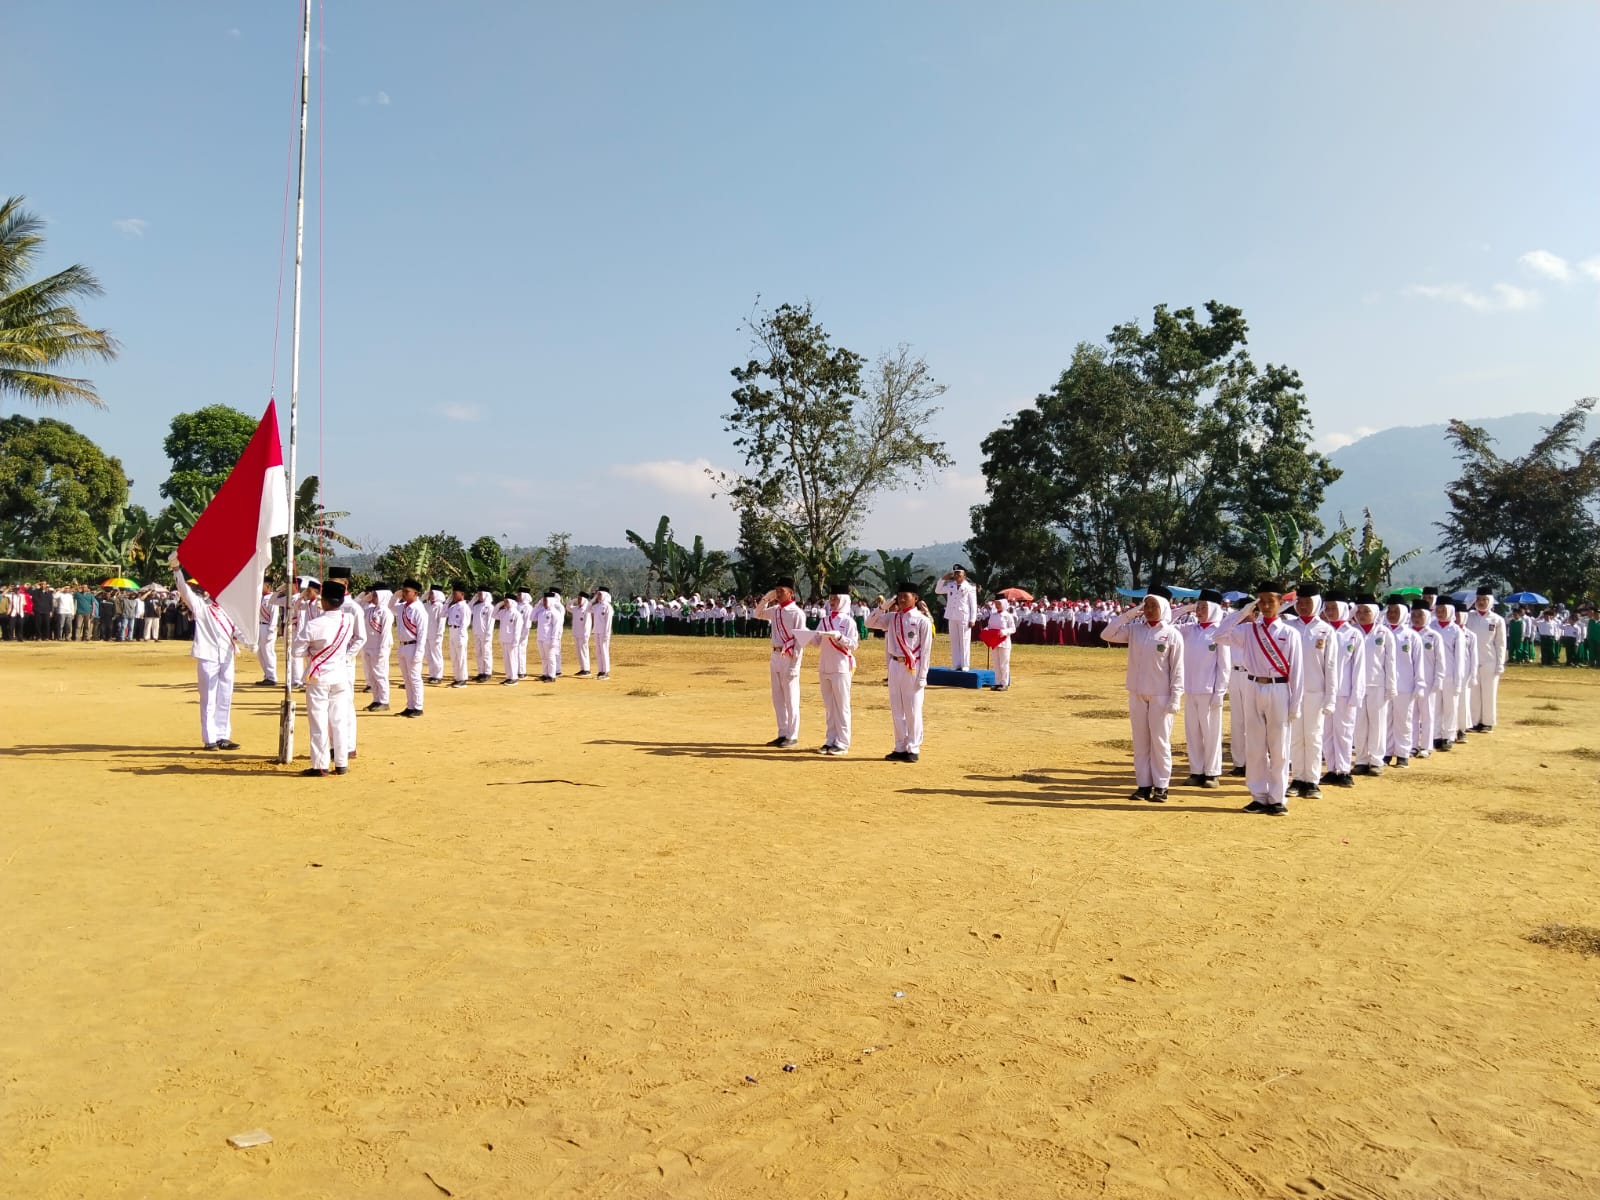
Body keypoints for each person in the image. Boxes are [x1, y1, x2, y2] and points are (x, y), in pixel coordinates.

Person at [1214, 581, 1304, 815]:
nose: (1265, 606)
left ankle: (1277, 798)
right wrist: (1244, 612)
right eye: (1260, 601)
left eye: (1269, 601)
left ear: (1280, 602)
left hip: (1279, 689)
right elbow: (1219, 635)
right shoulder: (1248, 629)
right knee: (1254, 745)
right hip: (1253, 686)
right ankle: (1258, 795)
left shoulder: (1289, 633)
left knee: (1279, 747)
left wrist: (1295, 704)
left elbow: (1297, 671)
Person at [1101, 587, 1185, 802]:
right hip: (1137, 693)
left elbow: (1177, 669)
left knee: (1160, 742)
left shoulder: (1172, 634)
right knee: (1140, 743)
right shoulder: (1135, 630)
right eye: (1146, 605)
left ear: (1163, 608)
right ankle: (1143, 785)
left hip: (1161, 695)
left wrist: (1176, 697)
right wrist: (1130, 614)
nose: (1148, 610)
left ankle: (1162, 786)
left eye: (1152, 606)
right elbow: (1106, 634)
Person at [169, 553, 246, 751]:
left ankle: (223, 735)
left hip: (227, 656)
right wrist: (177, 570)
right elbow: (184, 592)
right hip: (208, 656)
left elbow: (237, 630)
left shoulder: (229, 611)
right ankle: (209, 738)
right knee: (208, 697)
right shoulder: (202, 608)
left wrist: (251, 641)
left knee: (225, 696)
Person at [294, 579, 359, 776]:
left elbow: (296, 651)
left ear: (324, 601)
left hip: (319, 677)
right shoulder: (348, 619)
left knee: (319, 722)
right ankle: (341, 762)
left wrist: (313, 652)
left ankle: (320, 765)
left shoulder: (314, 624)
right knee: (338, 721)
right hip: (340, 675)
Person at [865, 582, 934, 762]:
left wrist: (923, 676)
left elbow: (925, 651)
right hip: (895, 665)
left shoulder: (922, 620)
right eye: (899, 596)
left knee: (913, 709)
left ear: (916, 598)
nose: (902, 599)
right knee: (897, 708)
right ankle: (900, 746)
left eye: (906, 596)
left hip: (913, 666)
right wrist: (884, 606)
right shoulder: (892, 618)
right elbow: (869, 622)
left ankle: (913, 747)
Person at [1175, 589, 1230, 788]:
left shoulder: (1220, 632)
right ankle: (1196, 771)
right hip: (1189, 690)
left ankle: (1212, 773)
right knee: (1193, 733)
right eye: (1198, 607)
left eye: (1203, 607)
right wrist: (1185, 608)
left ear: (1215, 609)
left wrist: (1220, 692)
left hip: (1210, 691)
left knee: (1211, 734)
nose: (1199, 611)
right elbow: (1167, 623)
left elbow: (1224, 666)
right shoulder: (1190, 629)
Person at [1288, 582, 1336, 798]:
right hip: (1292, 692)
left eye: (1308, 603)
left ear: (1317, 604)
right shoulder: (1289, 628)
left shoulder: (1326, 631)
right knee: (1295, 737)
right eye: (1300, 602)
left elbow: (1332, 666)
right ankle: (1298, 778)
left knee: (1314, 737)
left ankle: (1312, 780)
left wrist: (1330, 697)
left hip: (1317, 692)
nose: (1304, 606)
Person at [807, 583, 861, 755]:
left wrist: (839, 637)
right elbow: (816, 642)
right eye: (830, 598)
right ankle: (830, 739)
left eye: (836, 599)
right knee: (829, 706)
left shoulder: (848, 621)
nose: (832, 602)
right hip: (825, 666)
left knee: (842, 706)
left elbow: (854, 644)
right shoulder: (824, 620)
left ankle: (843, 742)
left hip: (841, 667)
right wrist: (804, 635)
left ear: (844, 600)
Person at [754, 578, 808, 747]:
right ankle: (782, 732)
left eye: (781, 591)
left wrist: (794, 665)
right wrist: (765, 599)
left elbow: (800, 641)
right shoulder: (775, 610)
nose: (778, 593)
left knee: (791, 698)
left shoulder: (797, 613)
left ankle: (792, 735)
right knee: (777, 697)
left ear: (791, 593)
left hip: (789, 656)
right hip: (775, 654)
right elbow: (757, 614)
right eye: (776, 590)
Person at [1320, 591, 1365, 789]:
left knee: (1344, 732)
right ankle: (1331, 769)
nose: (1330, 611)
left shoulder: (1354, 634)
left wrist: (1357, 694)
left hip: (1345, 692)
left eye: (1334, 608)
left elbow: (1358, 667)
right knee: (1326, 732)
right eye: (1327, 607)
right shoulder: (1321, 630)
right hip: (1322, 692)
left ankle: (1344, 770)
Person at [1351, 594, 1397, 777]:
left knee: (1378, 724)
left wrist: (1390, 686)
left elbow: (1390, 662)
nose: (1362, 615)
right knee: (1359, 724)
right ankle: (1361, 760)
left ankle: (1376, 760)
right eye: (1359, 611)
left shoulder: (1384, 633)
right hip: (1356, 685)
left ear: (1376, 613)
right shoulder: (1352, 632)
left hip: (1378, 684)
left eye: (1366, 611)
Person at [1382, 595, 1426, 768]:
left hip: (1405, 686)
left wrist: (1419, 684)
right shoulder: (1381, 633)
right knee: (1385, 721)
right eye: (1390, 611)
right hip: (1384, 686)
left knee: (1403, 721)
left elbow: (1418, 662)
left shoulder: (1411, 636)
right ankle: (1385, 753)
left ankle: (1403, 754)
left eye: (1396, 611)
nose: (1392, 614)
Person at [1410, 601, 1445, 758]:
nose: (1417, 618)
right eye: (1414, 615)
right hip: (1410, 680)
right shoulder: (1408, 634)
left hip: (1429, 681)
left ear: (1428, 616)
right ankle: (1411, 745)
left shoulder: (1433, 636)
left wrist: (1439, 679)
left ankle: (1426, 746)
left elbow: (1440, 660)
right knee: (1411, 714)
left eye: (1421, 615)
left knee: (1427, 714)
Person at [392, 578, 428, 717]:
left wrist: (419, 653)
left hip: (413, 646)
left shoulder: (419, 610)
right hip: (402, 646)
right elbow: (390, 606)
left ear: (416, 593)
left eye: (407, 591)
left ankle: (418, 707)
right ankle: (410, 705)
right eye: (404, 591)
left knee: (414, 678)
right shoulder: (402, 607)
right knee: (406, 679)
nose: (404, 594)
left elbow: (422, 634)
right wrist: (396, 595)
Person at [934, 565, 980, 670]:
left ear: (964, 575)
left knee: (964, 640)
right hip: (952, 615)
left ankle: (965, 664)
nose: (957, 576)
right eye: (955, 574)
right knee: (954, 640)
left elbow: (973, 605)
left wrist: (972, 619)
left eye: (959, 574)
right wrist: (943, 579)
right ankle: (956, 664)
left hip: (964, 616)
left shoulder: (970, 587)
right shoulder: (950, 586)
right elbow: (937, 591)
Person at [1433, 600, 1465, 750]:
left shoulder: (1456, 630)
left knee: (1450, 707)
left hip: (1450, 674)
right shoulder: (1431, 627)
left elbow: (1460, 657)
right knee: (1435, 706)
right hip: (1433, 674)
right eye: (1438, 610)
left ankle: (1448, 736)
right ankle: (1436, 735)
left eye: (1443, 610)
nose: (1440, 613)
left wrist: (1459, 680)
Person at [361, 585, 395, 711]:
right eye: (373, 595)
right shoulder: (369, 610)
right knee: (371, 675)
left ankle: (384, 700)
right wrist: (365, 598)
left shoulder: (386, 612)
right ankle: (376, 699)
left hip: (380, 648)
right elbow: (359, 607)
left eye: (375, 595)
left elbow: (385, 633)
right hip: (368, 646)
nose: (373, 597)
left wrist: (382, 650)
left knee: (380, 674)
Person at [985, 597, 1018, 691]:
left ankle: (1004, 683)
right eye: (996, 604)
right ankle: (997, 682)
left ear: (1003, 605)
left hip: (1004, 642)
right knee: (996, 663)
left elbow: (1013, 629)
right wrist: (986, 630)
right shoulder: (993, 615)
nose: (997, 605)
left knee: (1004, 663)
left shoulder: (1008, 615)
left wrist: (1005, 631)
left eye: (999, 604)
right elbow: (989, 626)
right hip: (994, 642)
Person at [536, 590, 565, 681]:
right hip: (541, 638)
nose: (544, 602)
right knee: (544, 657)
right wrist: (538, 604)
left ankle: (552, 676)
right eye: (543, 600)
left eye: (545, 600)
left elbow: (556, 627)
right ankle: (545, 674)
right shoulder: (541, 611)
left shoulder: (555, 612)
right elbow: (531, 617)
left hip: (550, 639)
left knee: (551, 657)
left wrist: (554, 639)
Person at [446, 583, 471, 688]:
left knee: (461, 656)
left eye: (455, 594)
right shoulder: (453, 607)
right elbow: (443, 614)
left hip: (460, 633)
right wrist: (447, 601)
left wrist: (461, 636)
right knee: (454, 656)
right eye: (453, 594)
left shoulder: (464, 607)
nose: (454, 596)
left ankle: (463, 679)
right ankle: (457, 678)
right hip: (452, 631)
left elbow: (465, 623)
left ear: (462, 594)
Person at [254, 583, 280, 686]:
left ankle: (272, 677)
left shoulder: (272, 599)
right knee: (260, 652)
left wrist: (271, 630)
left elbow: (274, 616)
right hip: (259, 626)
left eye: (263, 585)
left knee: (268, 652)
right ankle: (267, 675)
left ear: (268, 586)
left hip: (267, 627)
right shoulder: (260, 597)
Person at [495, 593, 523, 685]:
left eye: (506, 601)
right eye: (505, 601)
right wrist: (499, 604)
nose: (505, 603)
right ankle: (508, 677)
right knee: (506, 660)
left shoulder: (516, 614)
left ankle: (514, 677)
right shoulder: (503, 612)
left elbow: (518, 629)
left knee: (512, 659)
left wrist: (516, 640)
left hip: (511, 640)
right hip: (504, 639)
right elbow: (493, 615)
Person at [470, 588, 496, 682]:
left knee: (486, 653)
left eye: (481, 594)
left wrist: (488, 634)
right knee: (479, 653)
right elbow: (468, 609)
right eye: (478, 594)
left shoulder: (490, 607)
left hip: (485, 634)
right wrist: (474, 599)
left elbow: (490, 622)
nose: (479, 596)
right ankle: (481, 672)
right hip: (477, 633)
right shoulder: (476, 606)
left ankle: (487, 672)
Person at [424, 587, 448, 685]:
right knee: (429, 655)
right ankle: (432, 675)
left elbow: (442, 621)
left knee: (436, 655)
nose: (430, 596)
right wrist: (425, 595)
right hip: (426, 634)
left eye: (432, 594)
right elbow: (419, 602)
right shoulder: (426, 605)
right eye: (430, 594)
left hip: (435, 634)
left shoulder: (440, 606)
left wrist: (439, 634)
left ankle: (438, 676)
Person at [592, 587, 614, 678]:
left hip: (604, 632)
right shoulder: (596, 606)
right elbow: (587, 609)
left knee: (604, 651)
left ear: (605, 595)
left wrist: (606, 633)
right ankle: (600, 670)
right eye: (598, 594)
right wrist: (593, 599)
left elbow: (608, 622)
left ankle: (606, 671)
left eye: (600, 594)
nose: (598, 596)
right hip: (596, 631)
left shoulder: (608, 607)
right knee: (598, 651)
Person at [570, 592, 594, 676]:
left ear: (584, 600)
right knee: (579, 652)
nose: (579, 600)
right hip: (576, 633)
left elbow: (587, 624)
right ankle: (582, 668)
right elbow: (568, 607)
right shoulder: (576, 608)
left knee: (584, 651)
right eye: (578, 599)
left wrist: (586, 634)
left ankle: (586, 669)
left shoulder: (586, 610)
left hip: (583, 634)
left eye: (580, 599)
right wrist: (574, 600)